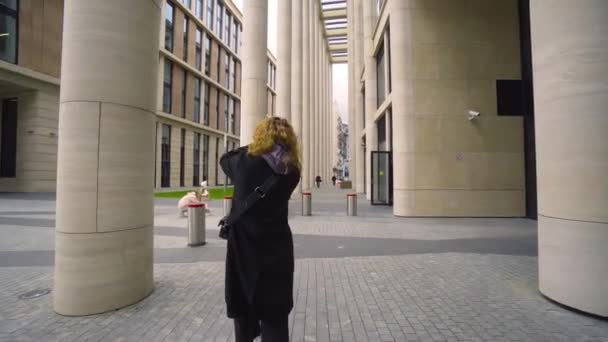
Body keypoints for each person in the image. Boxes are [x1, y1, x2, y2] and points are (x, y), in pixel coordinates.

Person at [220, 117, 300, 342]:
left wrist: (253, 146)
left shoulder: (245, 161)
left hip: (244, 249)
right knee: (275, 316)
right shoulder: (292, 171)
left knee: (243, 310)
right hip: (276, 249)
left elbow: (225, 159)